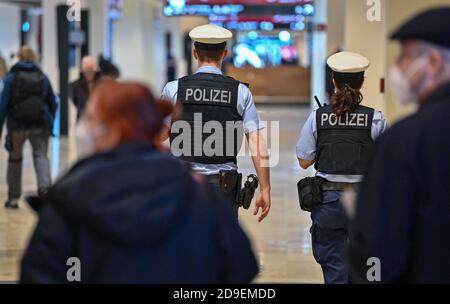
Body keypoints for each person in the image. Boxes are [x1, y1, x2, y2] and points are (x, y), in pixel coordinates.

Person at [20, 80, 259, 284]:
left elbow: (39, 273)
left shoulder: (68, 202)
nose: (82, 127)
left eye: (90, 118)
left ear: (113, 130)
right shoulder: (200, 193)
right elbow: (241, 266)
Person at [348, 7, 450, 284]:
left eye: (405, 56)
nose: (398, 67)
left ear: (433, 62)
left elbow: (378, 250)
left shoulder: (405, 140)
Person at [161, 24, 271, 221]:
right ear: (225, 54)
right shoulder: (240, 92)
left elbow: (158, 135)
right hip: (224, 189)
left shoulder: (174, 89)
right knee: (221, 247)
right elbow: (256, 142)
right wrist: (265, 188)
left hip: (183, 185)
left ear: (194, 53)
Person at [296, 51, 388, 284]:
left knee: (334, 265)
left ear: (333, 81)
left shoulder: (318, 117)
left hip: (328, 202)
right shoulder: (376, 119)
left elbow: (304, 160)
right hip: (364, 202)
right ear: (362, 82)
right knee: (367, 264)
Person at [0, 46, 57, 209]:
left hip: (17, 125)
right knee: (41, 157)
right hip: (40, 124)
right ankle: (45, 190)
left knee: (15, 160)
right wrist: (51, 122)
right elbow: (52, 102)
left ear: (19, 57)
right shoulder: (42, 76)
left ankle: (13, 199)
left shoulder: (11, 77)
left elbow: (3, 104)